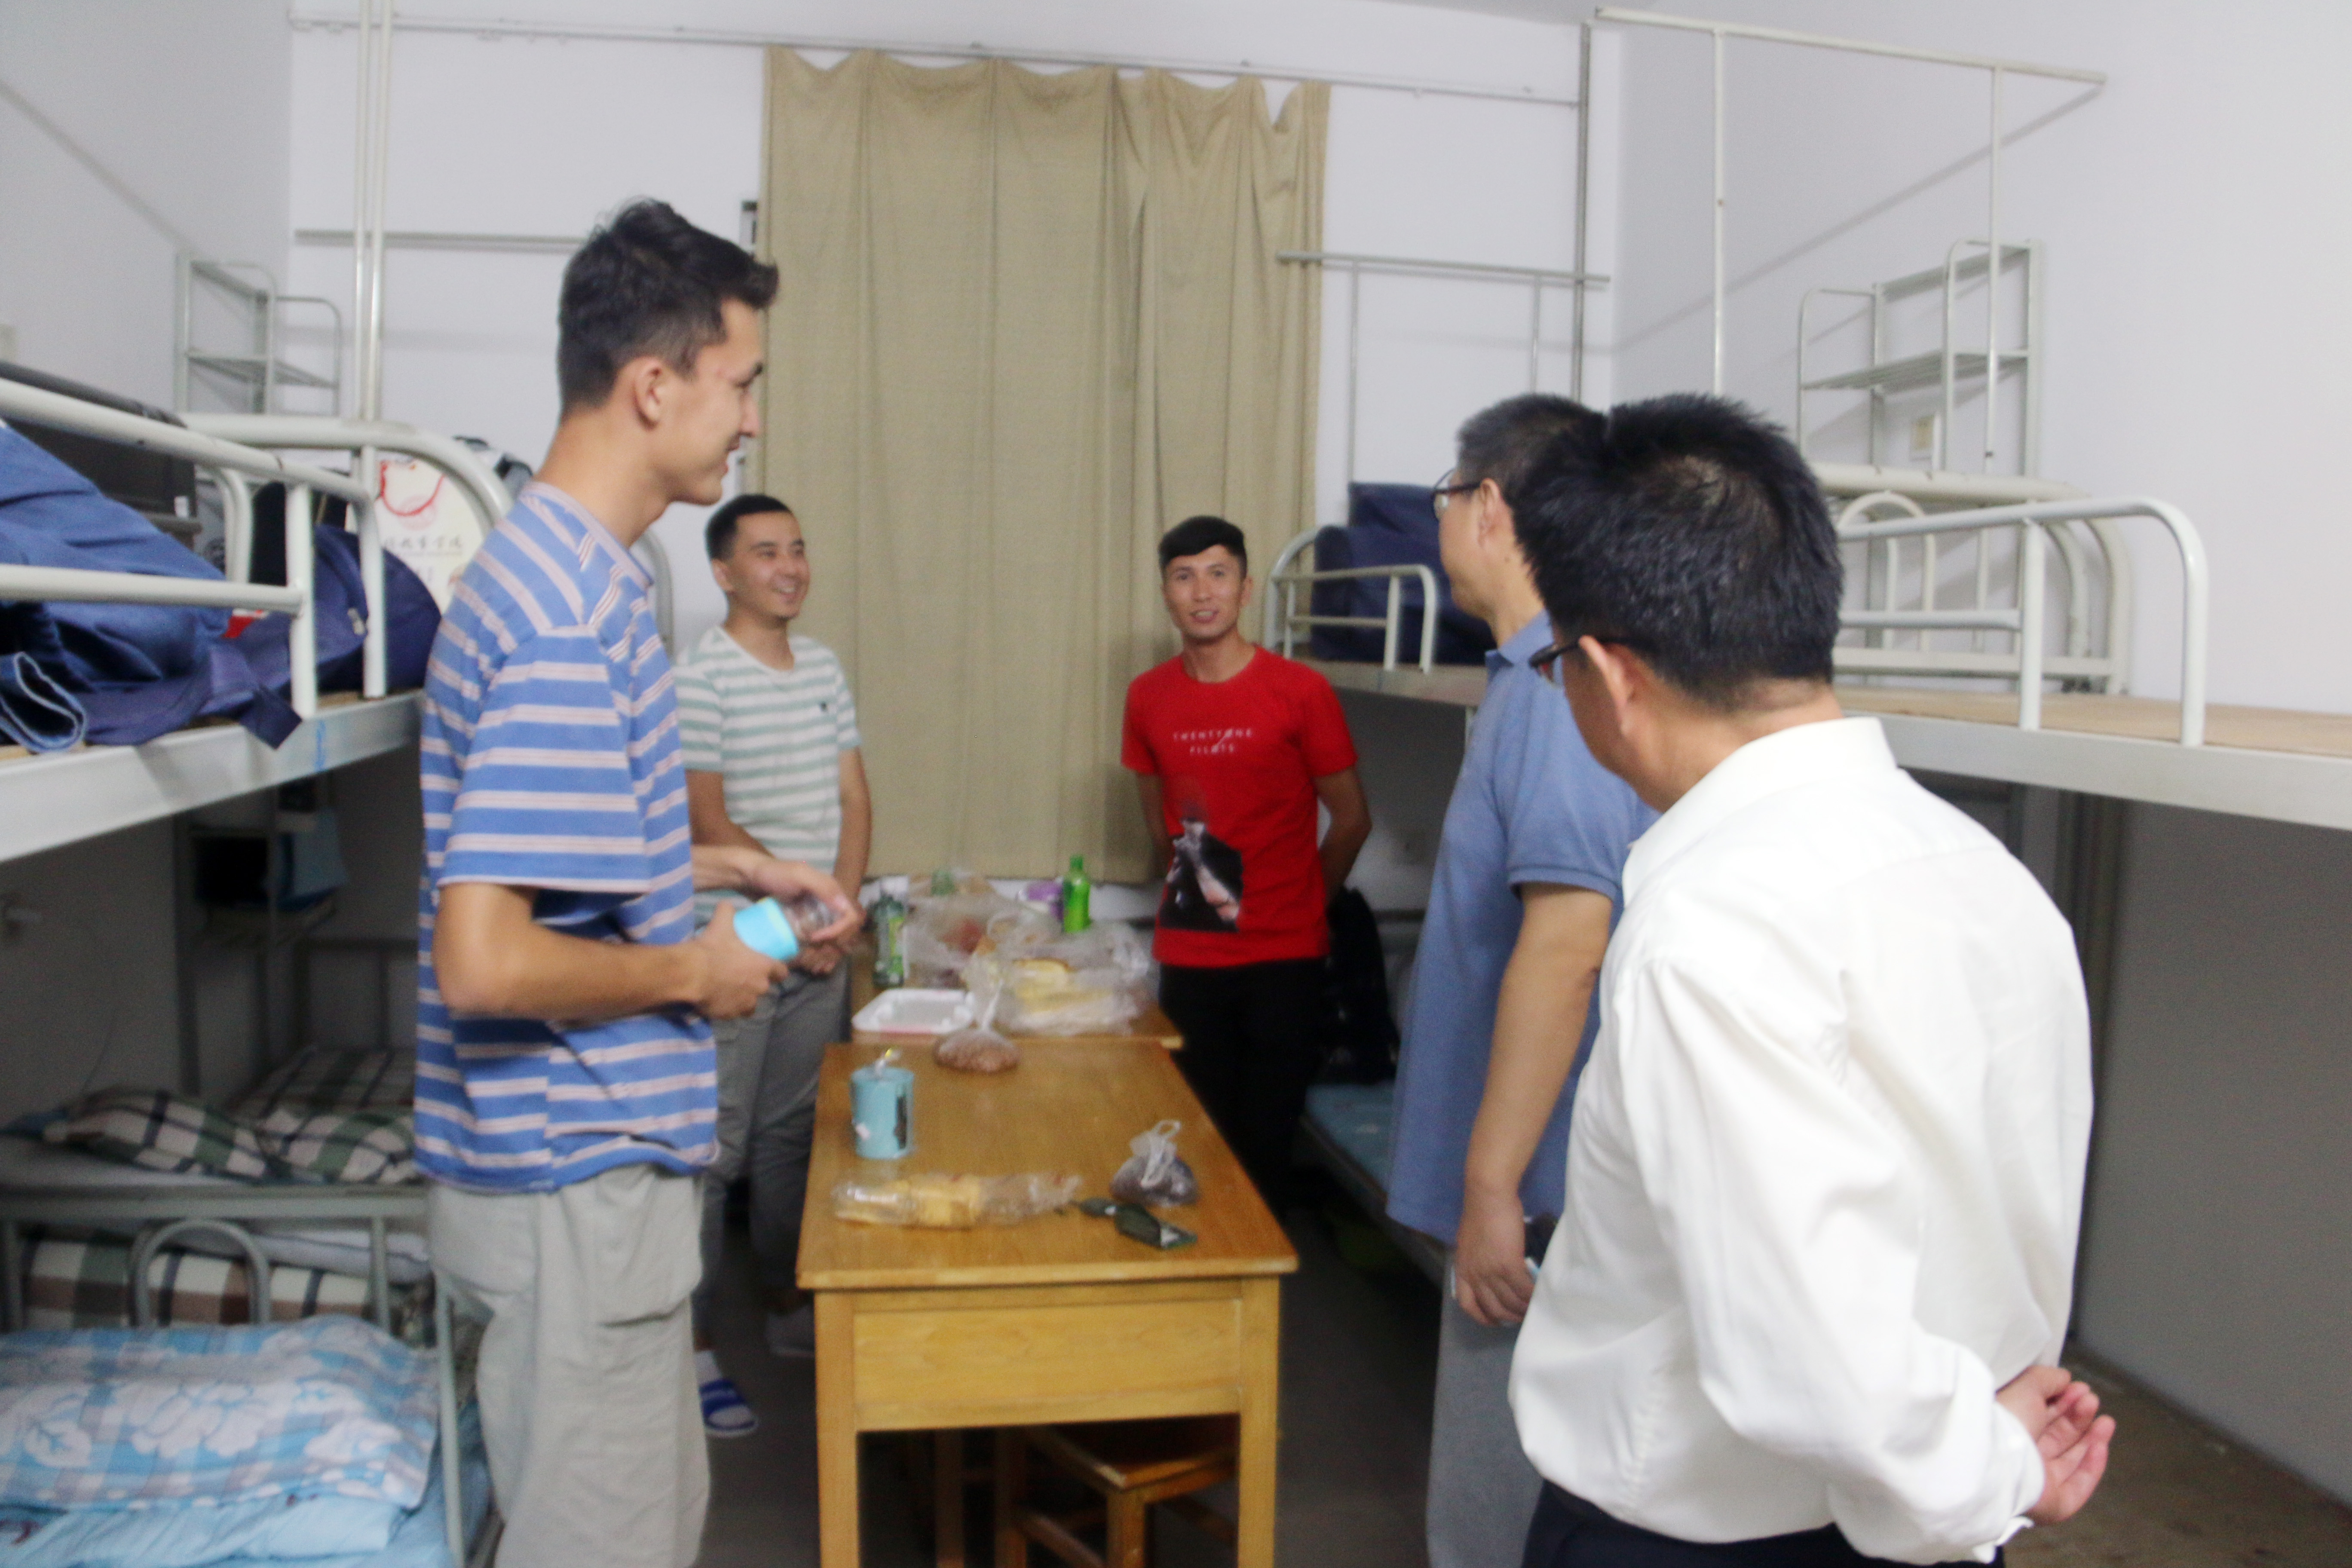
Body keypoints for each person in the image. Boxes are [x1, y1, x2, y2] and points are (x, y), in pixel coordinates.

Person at [1507, 394, 2114, 1568]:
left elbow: (1811, 1362)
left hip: (1717, 1539)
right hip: (1947, 1502)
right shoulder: (1989, 873)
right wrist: (1988, 1467)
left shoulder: (1709, 930)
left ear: (1610, 674)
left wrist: (1990, 1472)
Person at [416, 199, 856, 1568]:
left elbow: (564, 858)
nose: (751, 420)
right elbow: (485, 958)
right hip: (573, 1185)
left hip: (586, 1182)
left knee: (645, 1526)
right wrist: (697, 969)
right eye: (742, 384)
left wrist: (729, 864)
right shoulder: (565, 617)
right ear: (655, 386)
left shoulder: (578, 576)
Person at [1384, 395, 1656, 1568]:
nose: (1442, 520)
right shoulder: (1522, 678)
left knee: (1497, 1512)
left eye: (1448, 497)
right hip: (1521, 1181)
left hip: (1538, 1194)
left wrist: (1494, 1189)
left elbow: (1571, 938)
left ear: (1490, 506)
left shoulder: (1556, 689)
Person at [674, 492, 871, 1431]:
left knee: (796, 1135)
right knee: (717, 1149)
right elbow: (707, 822)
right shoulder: (699, 676)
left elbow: (855, 800)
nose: (789, 567)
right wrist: (807, 917)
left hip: (821, 937)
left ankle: (790, 1306)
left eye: (797, 549)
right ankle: (691, 1347)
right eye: (765, 553)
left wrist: (841, 911)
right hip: (739, 940)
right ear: (724, 573)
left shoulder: (824, 665)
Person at [1121, 514, 1371, 1210]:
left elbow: (1353, 819)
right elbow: (1158, 817)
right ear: (1166, 594)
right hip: (1192, 953)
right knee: (1195, 1140)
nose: (1202, 592)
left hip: (1284, 959)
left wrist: (1307, 903)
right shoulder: (1147, 696)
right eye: (1184, 577)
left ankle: (1262, 1274)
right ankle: (1205, 1266)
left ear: (1246, 588)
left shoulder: (1300, 691)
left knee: (1265, 1147)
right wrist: (1193, 887)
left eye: (1218, 574)